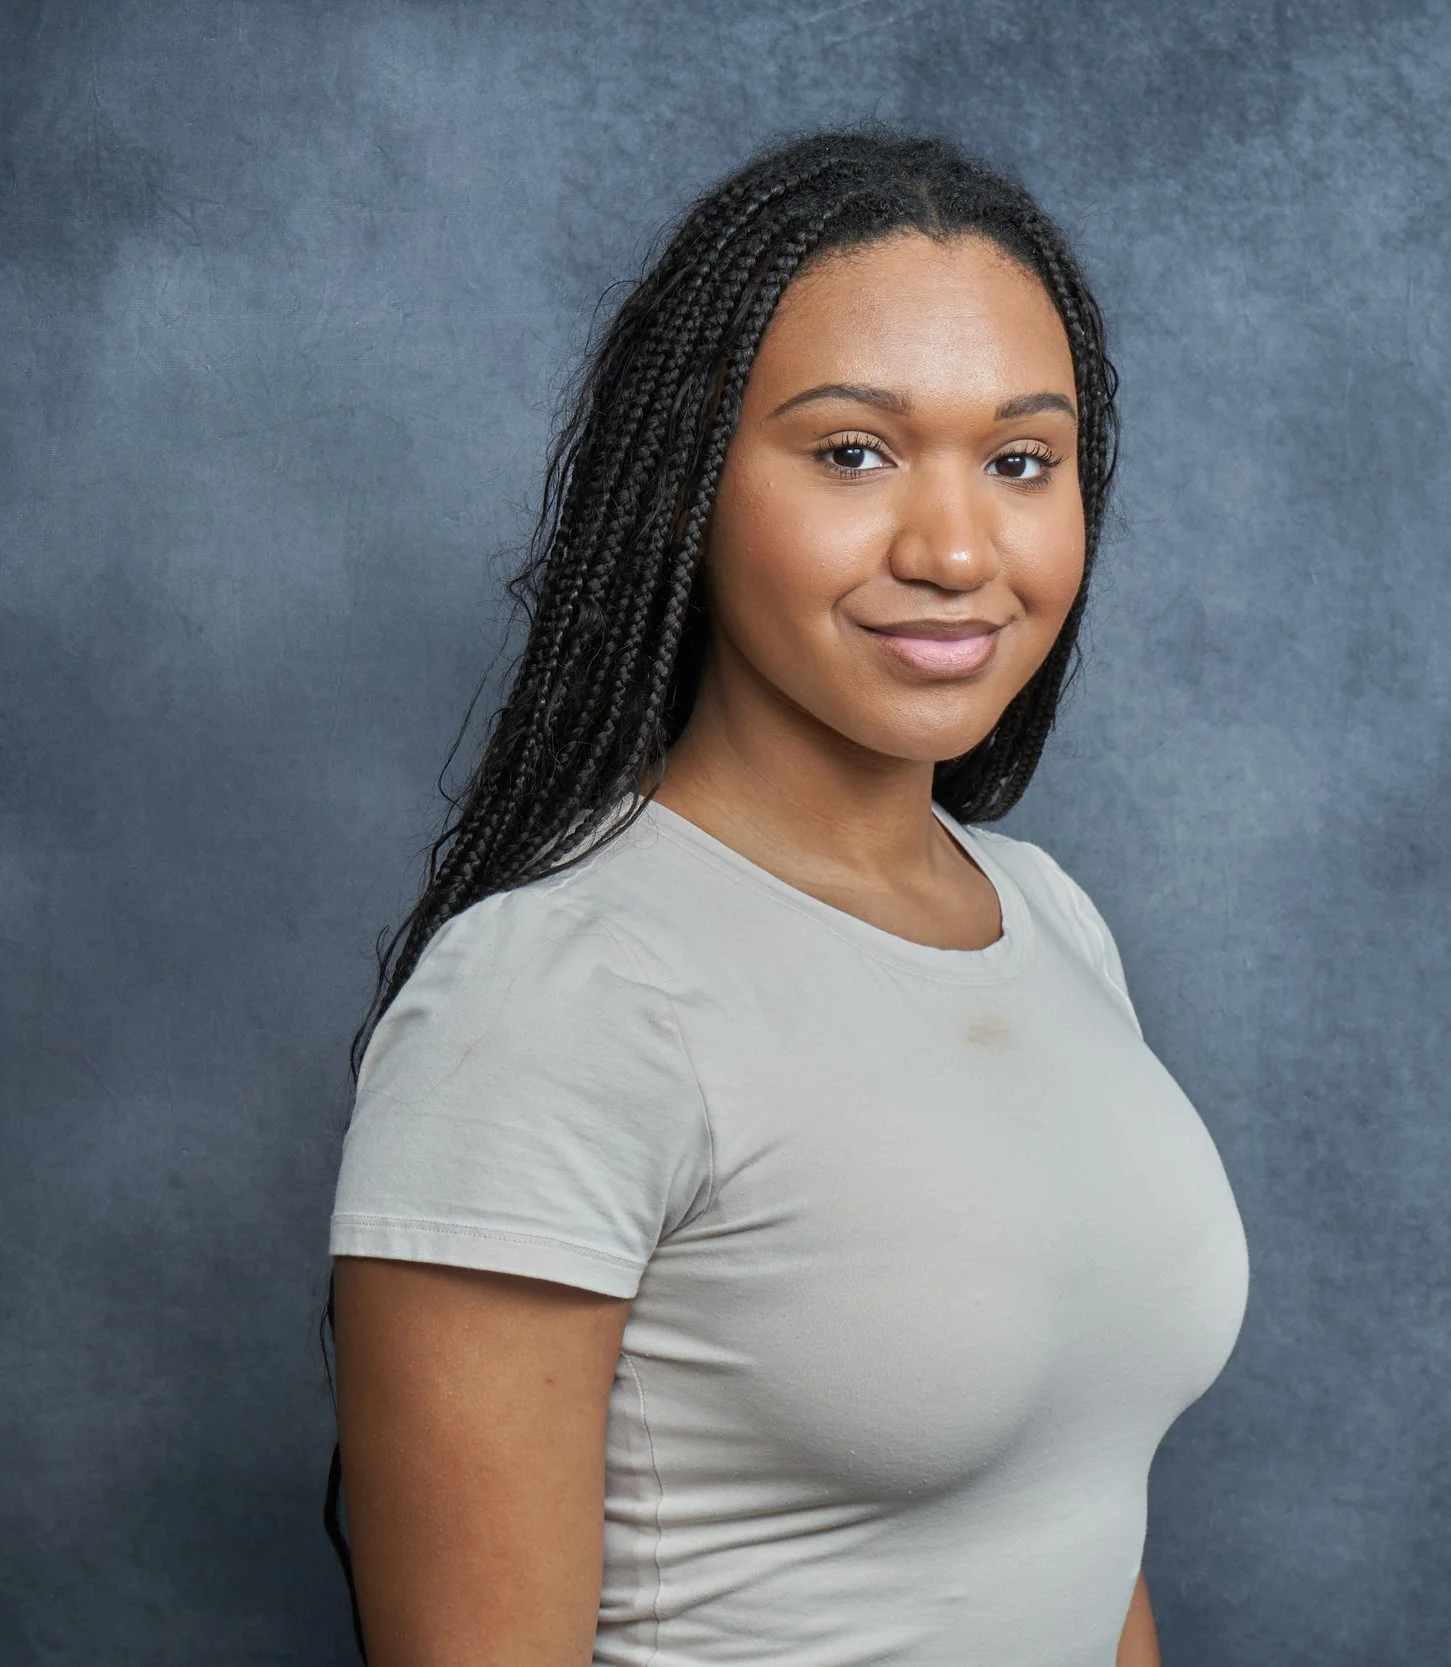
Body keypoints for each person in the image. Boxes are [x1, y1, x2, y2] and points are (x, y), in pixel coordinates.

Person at [323, 128, 1251, 1666]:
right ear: (689, 484)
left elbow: (1076, 1539)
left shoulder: (1052, 923)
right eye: (852, 453)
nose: (956, 548)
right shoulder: (555, 994)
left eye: (1021, 461)